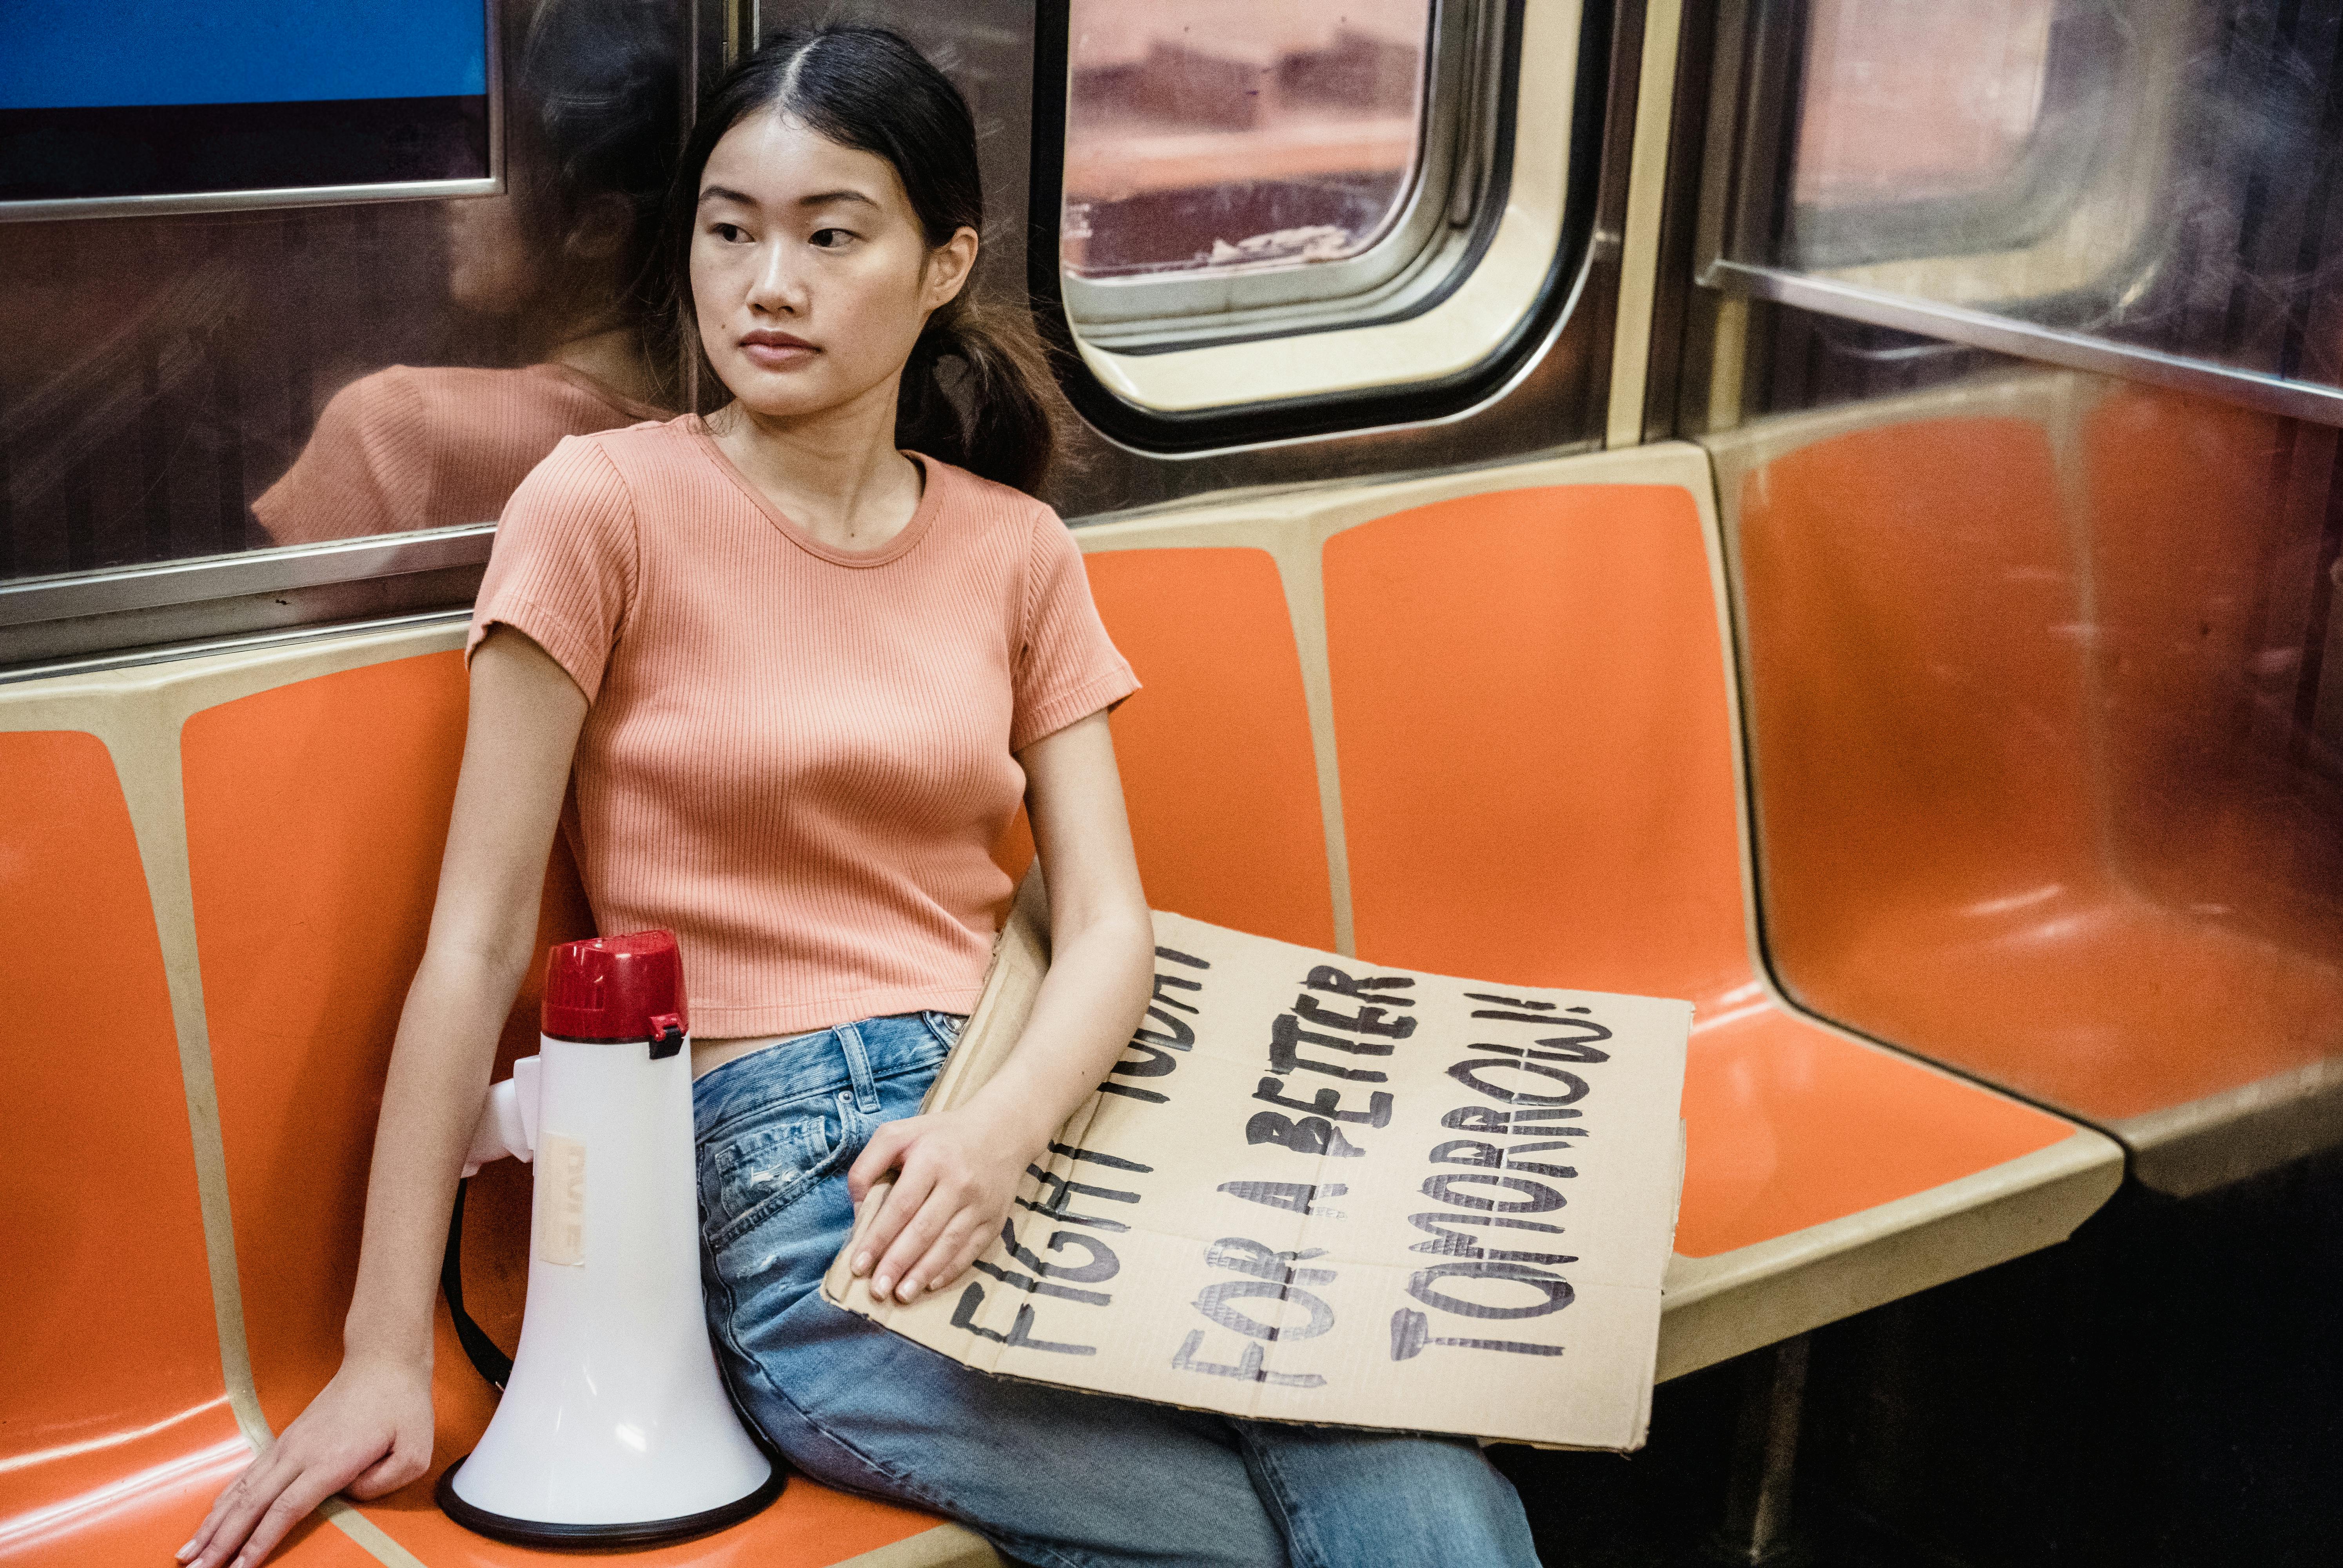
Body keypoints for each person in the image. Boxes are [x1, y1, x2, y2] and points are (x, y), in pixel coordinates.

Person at [181, 27, 1541, 1568]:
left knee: (1414, 1460)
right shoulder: (600, 509)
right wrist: (379, 1347)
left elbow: (1106, 925)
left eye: (834, 236)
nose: (771, 283)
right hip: (792, 1185)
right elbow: (475, 945)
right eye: (731, 231)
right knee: (1341, 1530)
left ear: (947, 260)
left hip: (1042, 1130)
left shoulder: (1014, 549)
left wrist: (1002, 1132)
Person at [252, 0, 680, 546]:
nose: (453, 189)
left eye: (488, 159)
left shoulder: (394, 424)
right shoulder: (714, 417)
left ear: (598, 227)